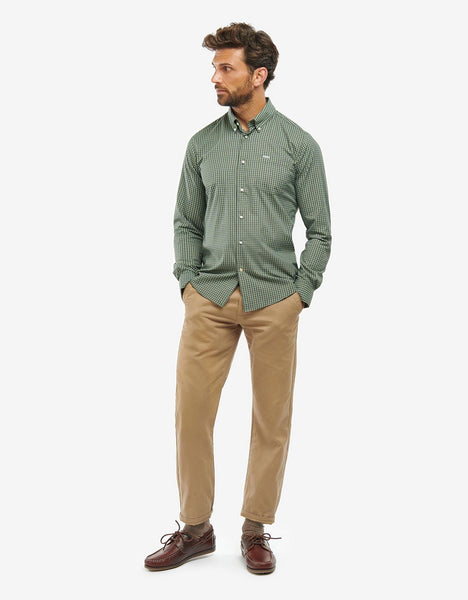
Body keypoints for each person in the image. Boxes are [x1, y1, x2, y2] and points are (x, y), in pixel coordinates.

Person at [144, 22, 331, 575]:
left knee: (271, 419)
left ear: (259, 75)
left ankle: (255, 529)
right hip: (210, 296)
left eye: (226, 68)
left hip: (275, 299)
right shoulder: (202, 144)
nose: (215, 77)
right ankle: (195, 529)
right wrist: (187, 282)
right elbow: (185, 221)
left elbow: (320, 232)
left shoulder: (299, 145)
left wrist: (301, 292)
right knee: (191, 413)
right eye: (214, 68)